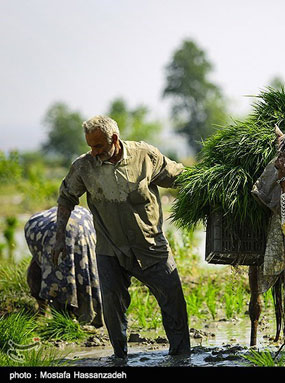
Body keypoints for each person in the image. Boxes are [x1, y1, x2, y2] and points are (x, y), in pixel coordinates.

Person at [52, 115, 191, 359]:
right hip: (110, 249)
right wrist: (59, 236)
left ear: (114, 139)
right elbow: (66, 198)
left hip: (150, 246)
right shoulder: (84, 166)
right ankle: (119, 358)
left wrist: (210, 184)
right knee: (113, 308)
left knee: (174, 302)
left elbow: (178, 177)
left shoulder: (145, 156)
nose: (94, 152)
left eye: (98, 146)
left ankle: (181, 357)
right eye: (90, 147)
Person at [25, 206, 103, 327]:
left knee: (56, 277)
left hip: (72, 235)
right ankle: (57, 314)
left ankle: (55, 314)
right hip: (66, 236)